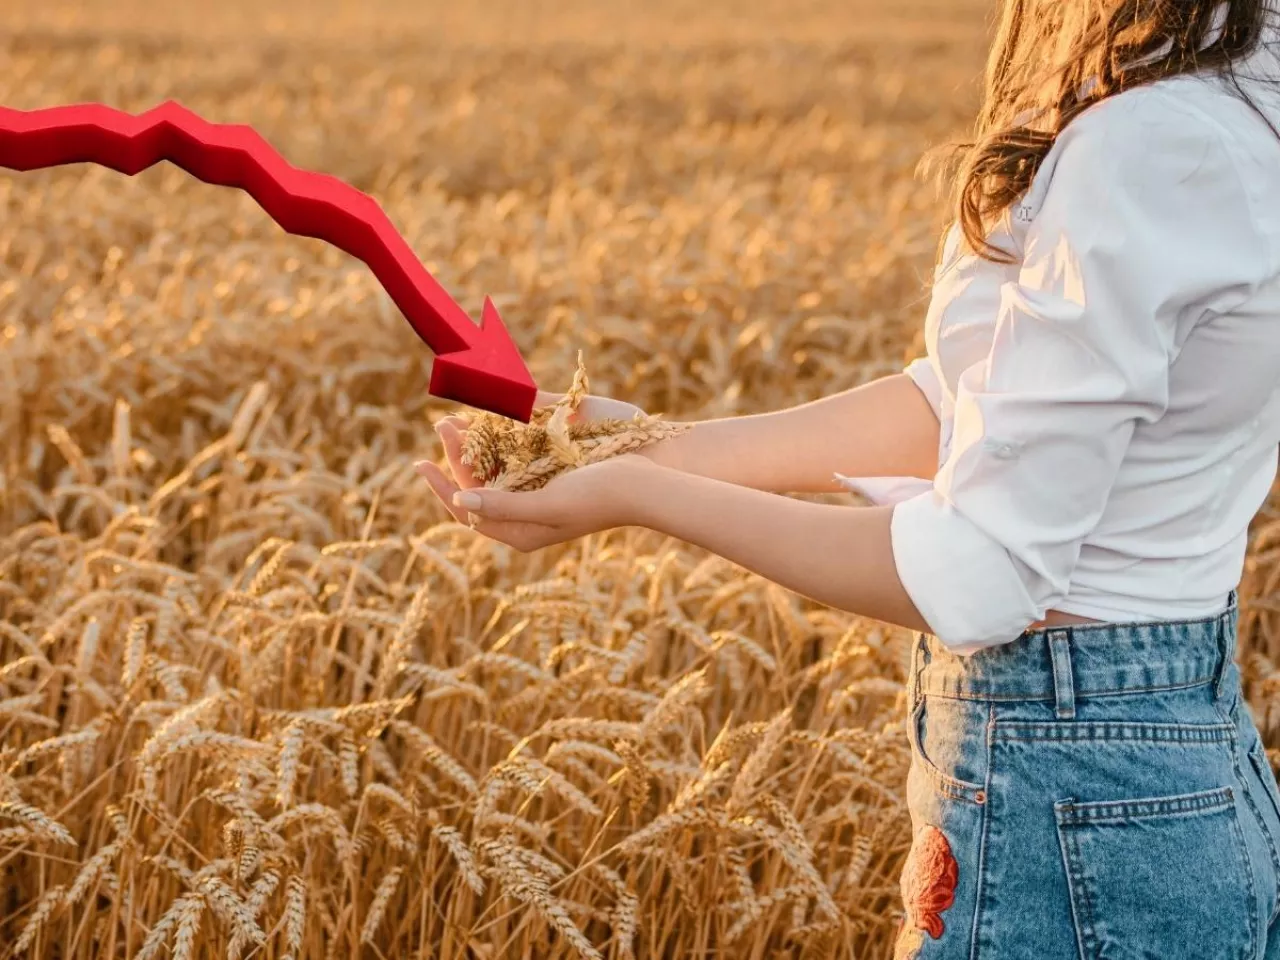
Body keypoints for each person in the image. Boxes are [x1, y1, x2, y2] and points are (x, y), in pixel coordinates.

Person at [416, 1, 1280, 956]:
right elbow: (980, 404)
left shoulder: (1152, 136)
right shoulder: (1227, 77)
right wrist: (659, 446)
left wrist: (636, 497)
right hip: (1163, 765)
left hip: (1069, 800)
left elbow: (986, 572)